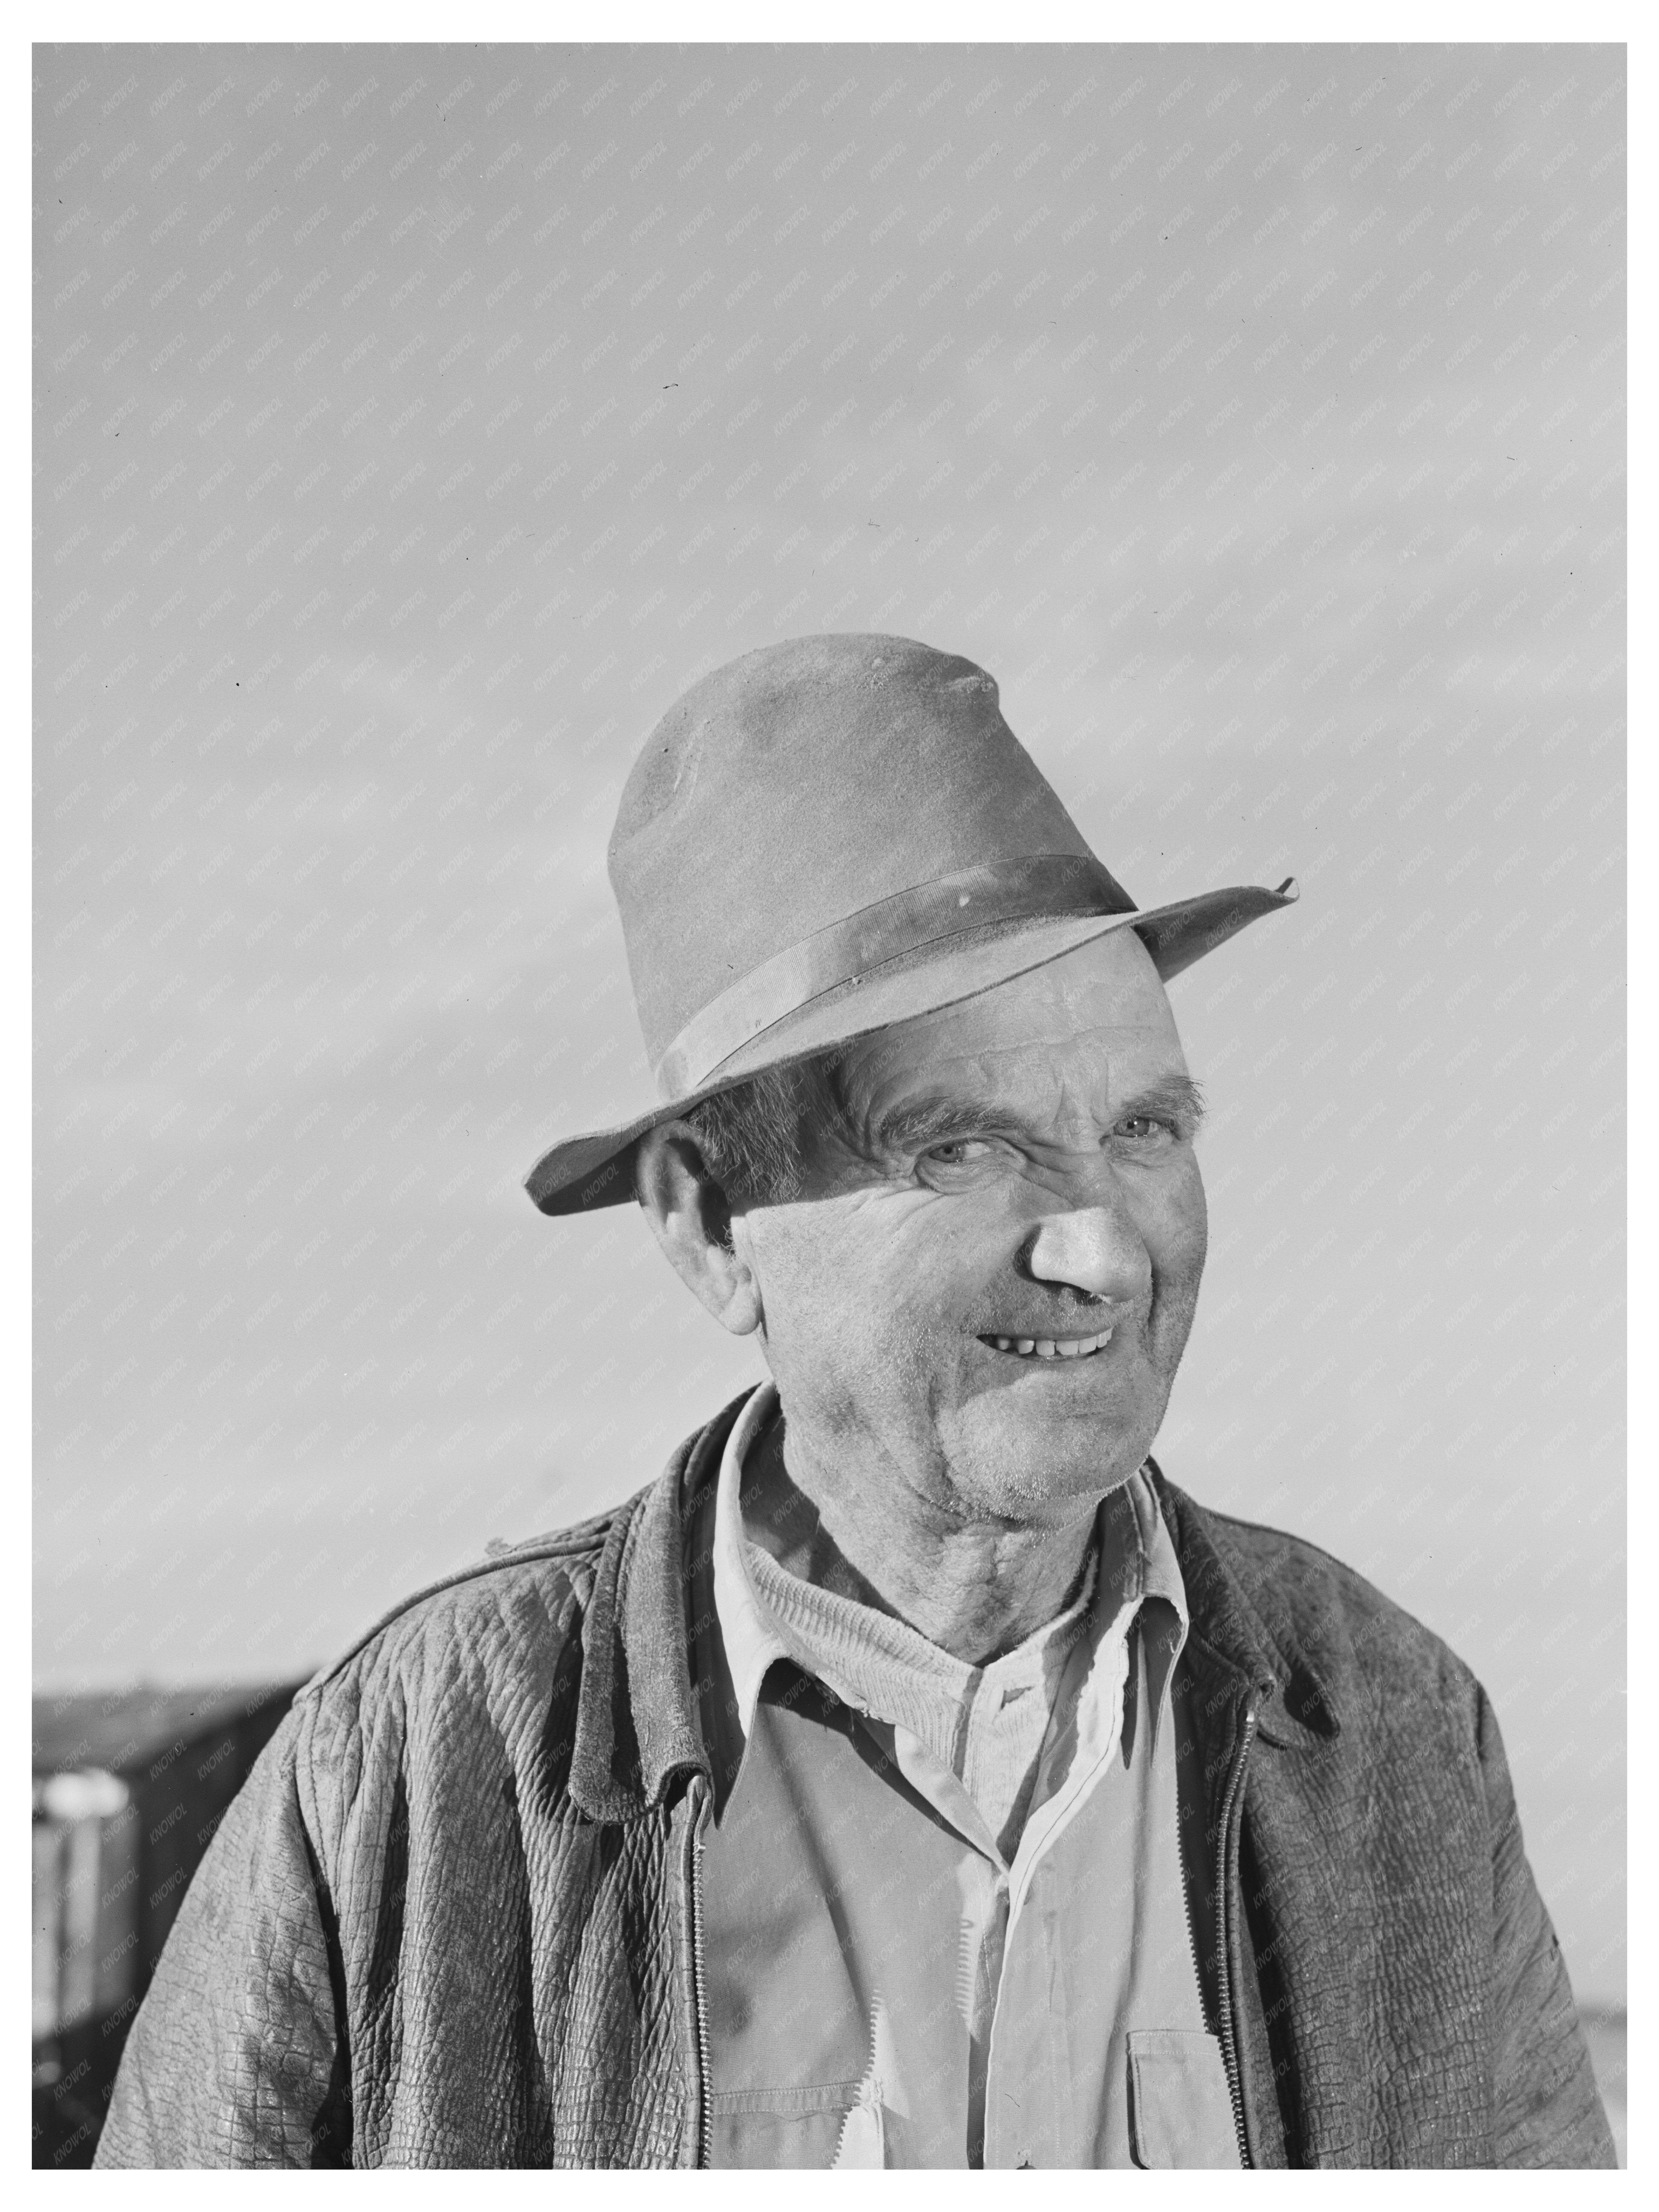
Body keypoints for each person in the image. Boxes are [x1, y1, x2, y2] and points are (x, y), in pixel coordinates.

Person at [95, 634, 1614, 2169]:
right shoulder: (410, 1778)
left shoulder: (1393, 1735)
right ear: (707, 1224)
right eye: (962, 1150)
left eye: (1146, 1129)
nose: (1099, 1250)